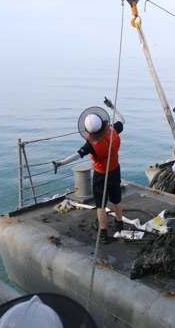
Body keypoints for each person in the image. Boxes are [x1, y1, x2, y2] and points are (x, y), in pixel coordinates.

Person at [52, 98, 125, 244]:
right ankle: (119, 225)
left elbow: (77, 155)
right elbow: (122, 120)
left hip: (101, 176)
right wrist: (112, 107)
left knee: (101, 205)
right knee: (116, 200)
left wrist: (61, 163)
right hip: (115, 171)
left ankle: (103, 234)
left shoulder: (91, 145)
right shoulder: (113, 131)